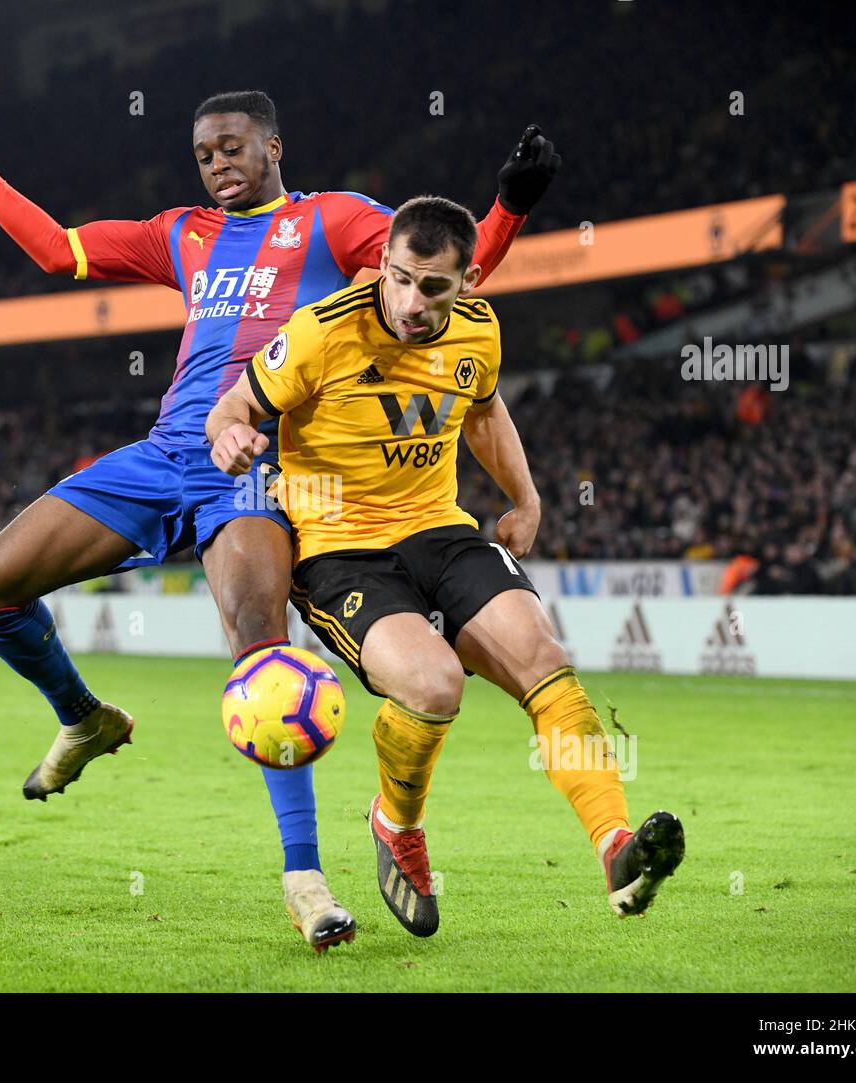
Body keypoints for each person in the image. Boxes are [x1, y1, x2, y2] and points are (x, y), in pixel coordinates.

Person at [0, 75, 556, 950]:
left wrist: (506, 207)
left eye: (232, 148)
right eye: (204, 153)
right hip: (169, 451)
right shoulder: (180, 233)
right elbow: (56, 251)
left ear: (272, 148)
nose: (217, 165)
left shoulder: (334, 219)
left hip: (257, 460)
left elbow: (438, 282)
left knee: (260, 646)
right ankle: (84, 716)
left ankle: (306, 880)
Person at [207, 196, 684, 936]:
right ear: (384, 264)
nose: (410, 302)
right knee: (434, 684)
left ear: (467, 281)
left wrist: (524, 497)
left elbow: (485, 410)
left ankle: (615, 847)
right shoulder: (320, 333)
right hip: (342, 550)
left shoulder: (480, 331)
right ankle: (396, 822)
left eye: (434, 287)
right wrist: (230, 437)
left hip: (440, 529)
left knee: (543, 657)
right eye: (399, 278)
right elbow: (231, 405)